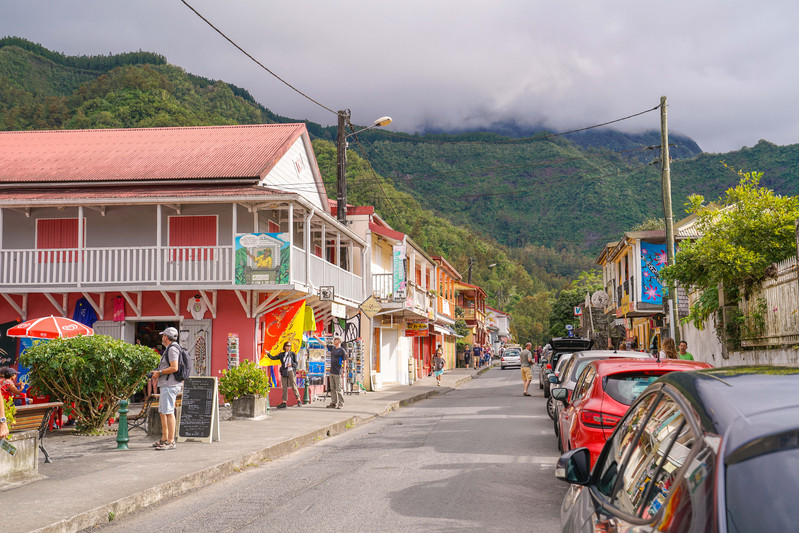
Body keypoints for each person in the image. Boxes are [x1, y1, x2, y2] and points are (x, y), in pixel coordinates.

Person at [151, 327, 182, 450]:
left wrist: (160, 373)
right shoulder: (170, 348)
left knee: (168, 412)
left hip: (170, 385)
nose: (162, 337)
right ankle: (164, 438)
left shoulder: (172, 349)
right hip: (167, 384)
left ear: (166, 337)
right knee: (163, 411)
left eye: (163, 335)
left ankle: (170, 441)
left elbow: (174, 368)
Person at [266, 342, 302, 408]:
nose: (289, 347)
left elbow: (296, 364)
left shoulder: (292, 354)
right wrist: (268, 354)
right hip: (284, 371)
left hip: (291, 371)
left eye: (290, 346)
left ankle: (298, 400)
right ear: (285, 347)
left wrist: (291, 364)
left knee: (294, 386)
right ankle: (284, 402)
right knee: (284, 387)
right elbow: (273, 358)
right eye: (288, 346)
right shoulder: (282, 354)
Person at [327, 337, 347, 409]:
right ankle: (333, 403)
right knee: (332, 388)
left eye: (336, 339)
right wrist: (316, 337)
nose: (334, 340)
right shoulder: (332, 348)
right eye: (334, 339)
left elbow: (345, 361)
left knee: (338, 388)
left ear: (339, 341)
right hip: (331, 371)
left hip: (338, 372)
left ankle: (341, 403)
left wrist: (343, 371)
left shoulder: (342, 350)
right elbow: (324, 344)